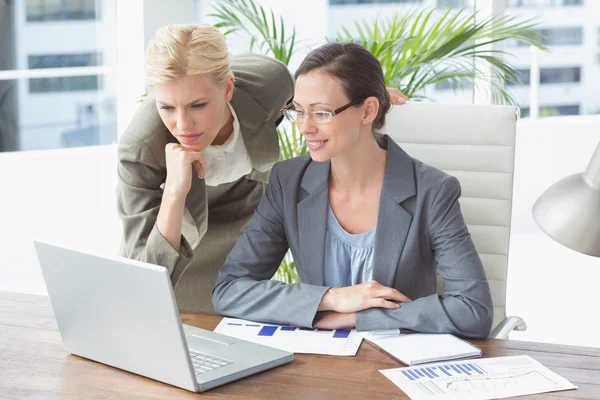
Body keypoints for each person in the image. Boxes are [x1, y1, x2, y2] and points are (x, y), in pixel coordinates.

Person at [212, 42, 493, 338]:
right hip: (320, 365)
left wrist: (358, 318)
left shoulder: (432, 191)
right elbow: (230, 289)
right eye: (298, 111)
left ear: (368, 110)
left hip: (395, 362)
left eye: (320, 113)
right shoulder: (288, 181)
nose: (304, 127)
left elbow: (474, 311)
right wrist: (331, 299)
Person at [116, 24, 294, 312]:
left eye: (197, 105)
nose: (182, 125)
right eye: (167, 108)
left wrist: (360, 102)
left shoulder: (270, 85)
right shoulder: (140, 149)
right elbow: (145, 273)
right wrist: (174, 191)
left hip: (246, 237)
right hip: (178, 249)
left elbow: (317, 100)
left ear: (227, 88)